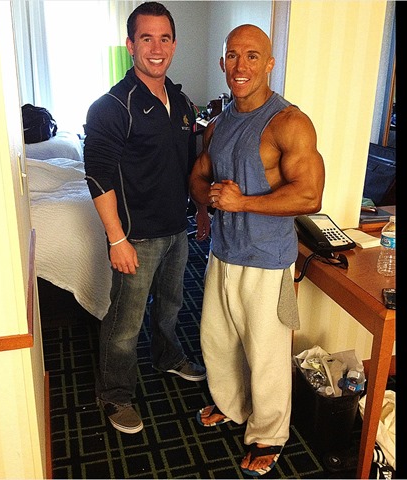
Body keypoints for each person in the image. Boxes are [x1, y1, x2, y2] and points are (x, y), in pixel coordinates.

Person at [189, 24, 325, 476]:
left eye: (252, 56)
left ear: (269, 63)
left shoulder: (289, 122)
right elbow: (199, 174)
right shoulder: (220, 122)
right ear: (222, 62)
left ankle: (269, 433)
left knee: (266, 353)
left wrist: (242, 202)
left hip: (267, 260)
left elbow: (310, 195)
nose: (240, 65)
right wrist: (207, 201)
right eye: (232, 55)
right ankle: (231, 404)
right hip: (223, 253)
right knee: (218, 339)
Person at [83, 1, 210, 435]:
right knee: (125, 323)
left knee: (171, 305)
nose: (156, 48)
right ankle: (114, 394)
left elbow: (190, 165)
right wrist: (116, 239)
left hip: (176, 229)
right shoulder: (112, 106)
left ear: (174, 44)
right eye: (146, 38)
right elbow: (97, 175)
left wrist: (200, 212)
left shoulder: (182, 101)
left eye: (164, 38)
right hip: (135, 236)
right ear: (130, 45)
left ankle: (167, 356)